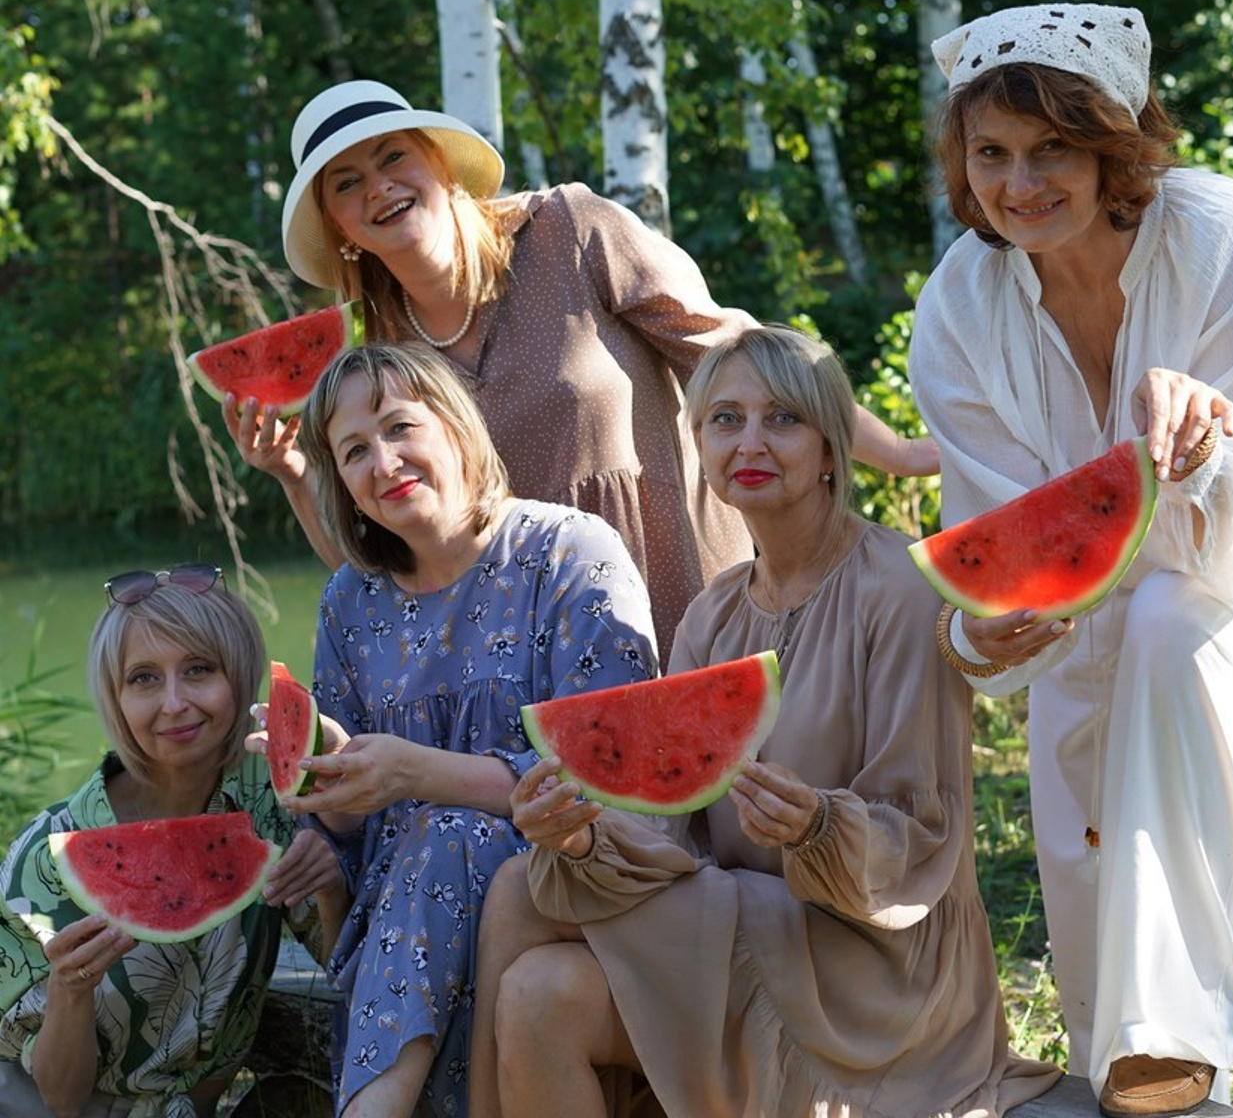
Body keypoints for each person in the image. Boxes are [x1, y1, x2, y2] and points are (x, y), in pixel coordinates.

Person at [466, 324, 1061, 1118]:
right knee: (538, 990)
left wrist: (820, 826)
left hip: (876, 962)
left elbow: (919, 835)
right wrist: (580, 838)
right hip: (745, 925)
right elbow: (674, 829)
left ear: (830, 449)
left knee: (515, 895)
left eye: (782, 418)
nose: (751, 440)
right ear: (702, 449)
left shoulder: (901, 592)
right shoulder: (713, 617)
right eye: (725, 419)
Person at [223, 78, 939, 660]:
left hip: (682, 582)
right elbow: (380, 549)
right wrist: (291, 471)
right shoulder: (379, 355)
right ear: (339, 229)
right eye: (347, 184)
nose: (377, 188)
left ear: (440, 166)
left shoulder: (569, 231)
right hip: (528, 630)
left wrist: (904, 456)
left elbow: (744, 360)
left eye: (392, 158)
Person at [908, 1, 1233, 1115]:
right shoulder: (954, 308)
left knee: (1166, 625)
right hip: (1089, 605)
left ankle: (1166, 1031)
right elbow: (1007, 533)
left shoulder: (1232, 237)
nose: (1018, 183)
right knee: (1077, 677)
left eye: (1051, 149)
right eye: (991, 154)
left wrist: (1204, 442)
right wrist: (978, 629)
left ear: (1113, 145)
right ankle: (1124, 1060)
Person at [270, 340, 659, 1117]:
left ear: (455, 423)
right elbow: (354, 829)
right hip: (403, 923)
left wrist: (416, 774)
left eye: (400, 427)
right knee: (438, 842)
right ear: (341, 483)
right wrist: (331, 775)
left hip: (571, 877)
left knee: (454, 835)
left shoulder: (570, 552)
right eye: (354, 451)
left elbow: (614, 772)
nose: (383, 462)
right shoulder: (349, 601)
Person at [0, 564, 347, 1117]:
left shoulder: (270, 808)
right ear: (114, 698)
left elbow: (347, 965)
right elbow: (59, 1100)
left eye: (199, 669)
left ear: (239, 676)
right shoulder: (45, 859)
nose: (174, 702)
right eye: (143, 678)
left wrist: (330, 884)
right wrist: (70, 989)